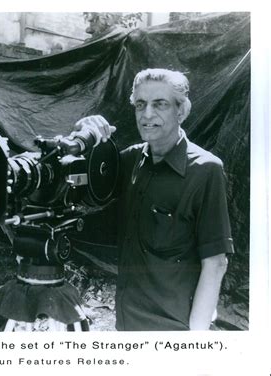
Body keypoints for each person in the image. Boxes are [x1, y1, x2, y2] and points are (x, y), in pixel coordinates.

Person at [74, 68, 233, 331]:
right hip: (127, 322)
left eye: (160, 105)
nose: (147, 114)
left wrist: (196, 339)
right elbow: (78, 189)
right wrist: (82, 133)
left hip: (173, 329)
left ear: (181, 111)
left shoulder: (206, 170)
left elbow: (216, 262)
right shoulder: (130, 160)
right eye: (140, 105)